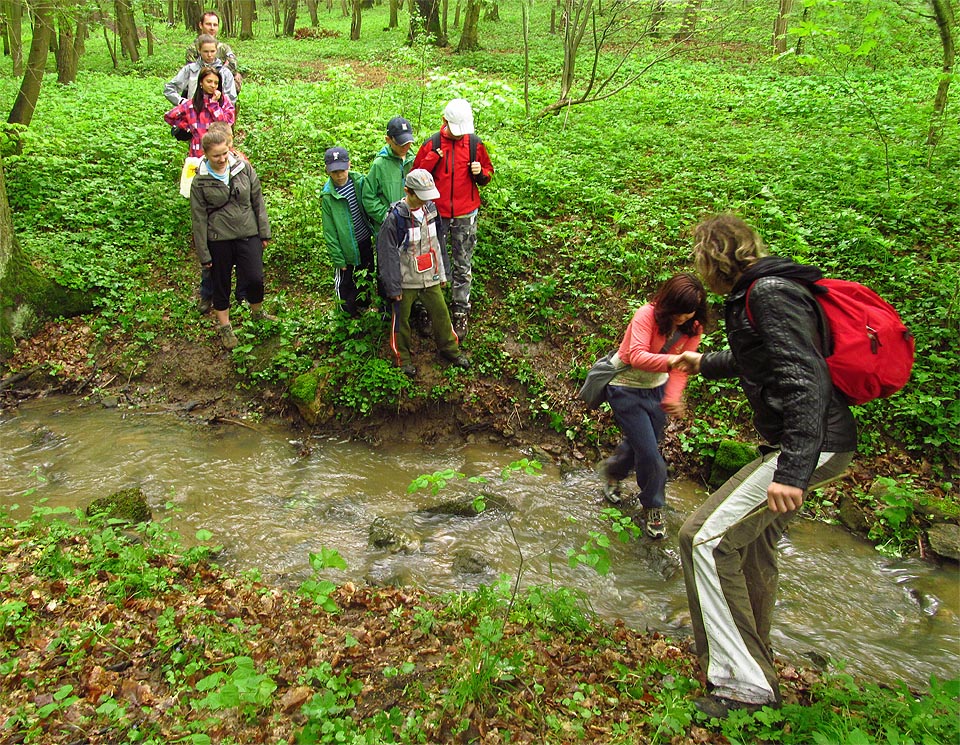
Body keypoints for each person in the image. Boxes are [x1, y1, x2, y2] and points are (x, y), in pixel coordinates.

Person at [673, 214, 856, 717]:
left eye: (698, 254)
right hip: (811, 443)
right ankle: (756, 662)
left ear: (712, 257)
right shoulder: (765, 289)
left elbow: (804, 378)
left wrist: (792, 471)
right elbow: (766, 359)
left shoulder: (769, 293)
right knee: (750, 548)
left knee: (702, 539)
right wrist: (705, 362)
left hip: (810, 446)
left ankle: (743, 687)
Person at [599, 273, 706, 540]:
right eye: (679, 312)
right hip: (625, 387)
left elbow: (682, 369)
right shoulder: (646, 315)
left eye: (689, 313)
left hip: (656, 390)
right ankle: (654, 506)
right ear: (668, 303)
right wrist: (674, 361)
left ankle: (613, 471)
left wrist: (672, 396)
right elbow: (636, 356)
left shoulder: (693, 327)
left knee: (643, 445)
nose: (683, 318)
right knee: (650, 453)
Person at [412, 98, 493, 340]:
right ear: (444, 121)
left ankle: (460, 310)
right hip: (436, 213)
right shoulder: (432, 144)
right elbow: (416, 176)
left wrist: (481, 174)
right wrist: (432, 160)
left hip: (466, 213)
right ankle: (427, 308)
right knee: (431, 261)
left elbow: (488, 172)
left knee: (463, 262)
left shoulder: (474, 144)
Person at [377, 169, 470, 378]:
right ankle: (403, 359)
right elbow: (386, 255)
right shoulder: (395, 218)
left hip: (430, 275)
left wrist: (443, 272)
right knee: (402, 320)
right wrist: (393, 287)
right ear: (408, 191)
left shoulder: (431, 210)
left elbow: (438, 243)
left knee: (441, 314)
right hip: (405, 280)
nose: (425, 201)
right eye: (421, 196)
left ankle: (450, 350)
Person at [190, 129, 273, 350]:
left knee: (255, 278)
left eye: (225, 153)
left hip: (248, 232)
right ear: (206, 154)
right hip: (219, 238)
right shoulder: (200, 181)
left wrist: (263, 231)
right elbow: (198, 219)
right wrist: (203, 253)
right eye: (216, 155)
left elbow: (258, 200)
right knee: (221, 284)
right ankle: (226, 328)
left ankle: (258, 313)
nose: (222, 159)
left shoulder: (243, 168)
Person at [321, 147, 375, 317]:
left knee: (366, 273)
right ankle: (346, 314)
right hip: (345, 247)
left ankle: (363, 306)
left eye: (342, 170)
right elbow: (329, 230)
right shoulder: (328, 196)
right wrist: (338, 257)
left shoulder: (359, 182)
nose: (339, 175)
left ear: (349, 165)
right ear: (327, 170)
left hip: (364, 239)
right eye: (334, 171)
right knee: (346, 281)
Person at [164, 66, 235, 159]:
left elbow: (226, 123)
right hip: (198, 152)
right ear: (201, 82)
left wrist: (213, 104)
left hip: (220, 152)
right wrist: (189, 127)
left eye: (216, 83)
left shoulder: (223, 102)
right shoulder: (192, 104)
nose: (213, 85)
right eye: (209, 81)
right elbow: (170, 116)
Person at [164, 34, 238, 107]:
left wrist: (218, 107)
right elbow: (169, 89)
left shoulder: (225, 72)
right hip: (193, 114)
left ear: (217, 50)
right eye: (206, 51)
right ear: (199, 50)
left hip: (216, 115)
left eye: (212, 51)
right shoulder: (190, 69)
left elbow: (231, 98)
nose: (209, 55)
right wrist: (182, 102)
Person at [185, 11, 242, 91]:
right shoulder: (193, 48)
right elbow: (194, 71)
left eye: (215, 25)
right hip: (200, 86)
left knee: (237, 77)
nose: (212, 28)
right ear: (201, 25)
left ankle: (227, 102)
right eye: (208, 24)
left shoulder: (223, 48)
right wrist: (222, 68)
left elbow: (233, 65)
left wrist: (222, 70)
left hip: (221, 83)